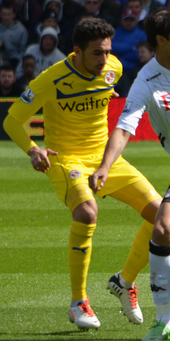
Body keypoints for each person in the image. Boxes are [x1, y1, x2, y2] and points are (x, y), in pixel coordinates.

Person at [3, 17, 162, 330]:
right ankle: (78, 302)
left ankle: (124, 280)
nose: (104, 60)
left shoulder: (113, 68)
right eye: (96, 54)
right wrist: (34, 150)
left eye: (107, 52)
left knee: (162, 219)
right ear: (76, 52)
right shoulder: (51, 79)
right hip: (67, 158)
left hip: (106, 158)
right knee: (88, 212)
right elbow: (11, 120)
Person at [88, 7, 170, 340]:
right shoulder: (147, 80)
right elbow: (124, 127)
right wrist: (105, 166)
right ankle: (164, 320)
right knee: (163, 227)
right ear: (162, 40)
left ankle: (125, 282)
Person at [111, 8, 147, 97]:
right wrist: (131, 48)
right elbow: (112, 48)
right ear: (121, 21)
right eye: (126, 19)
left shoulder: (142, 34)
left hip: (136, 68)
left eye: (132, 19)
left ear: (136, 21)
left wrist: (121, 52)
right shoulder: (116, 33)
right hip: (118, 70)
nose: (129, 22)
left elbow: (138, 55)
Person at [0, 1, 28, 69]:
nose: (6, 17)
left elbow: (23, 51)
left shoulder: (22, 30)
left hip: (15, 61)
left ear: (14, 15)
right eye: (4, 14)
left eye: (9, 14)